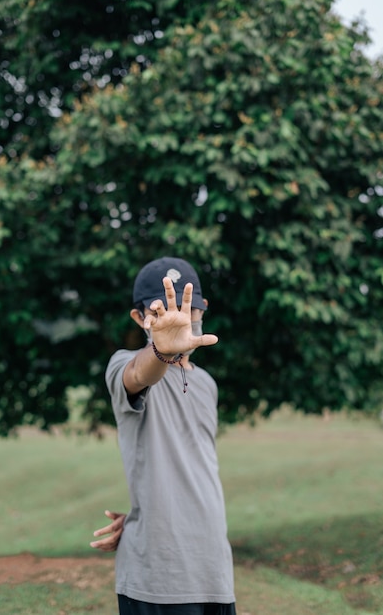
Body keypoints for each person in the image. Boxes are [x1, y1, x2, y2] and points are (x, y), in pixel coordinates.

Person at [90, 257, 236, 615]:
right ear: (140, 319)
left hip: (214, 571)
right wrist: (159, 350)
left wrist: (149, 510)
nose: (178, 320)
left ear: (202, 309)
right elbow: (139, 375)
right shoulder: (124, 364)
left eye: (189, 309)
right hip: (160, 578)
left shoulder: (207, 384)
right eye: (159, 311)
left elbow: (190, 469)